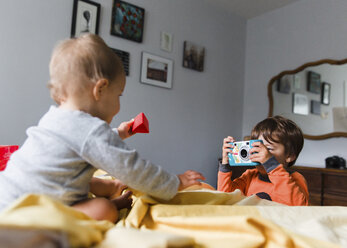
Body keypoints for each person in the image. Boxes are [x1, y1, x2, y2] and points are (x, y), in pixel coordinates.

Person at [0, 34, 205, 222]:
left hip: (12, 196)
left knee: (85, 178)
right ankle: (108, 203)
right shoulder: (89, 130)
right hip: (26, 215)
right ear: (100, 89)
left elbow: (85, 145)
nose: (119, 102)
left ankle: (111, 189)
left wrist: (121, 133)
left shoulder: (55, 118)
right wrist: (174, 182)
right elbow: (131, 167)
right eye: (119, 95)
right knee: (104, 210)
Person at [217, 116, 309, 206]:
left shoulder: (295, 178)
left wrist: (270, 165)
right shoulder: (249, 176)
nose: (261, 153)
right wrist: (225, 166)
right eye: (257, 147)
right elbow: (225, 199)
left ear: (290, 155)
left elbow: (298, 207)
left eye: (268, 149)